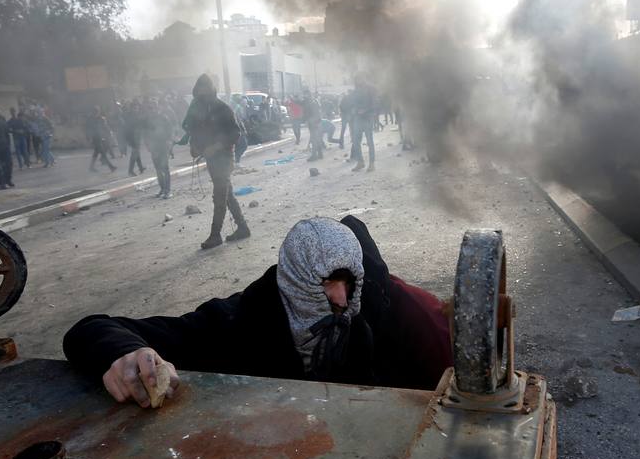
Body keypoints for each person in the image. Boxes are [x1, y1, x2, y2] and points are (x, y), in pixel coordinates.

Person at [63, 216, 453, 407]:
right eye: (326, 282)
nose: (339, 298)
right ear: (297, 278)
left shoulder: (391, 311)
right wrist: (126, 354)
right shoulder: (241, 322)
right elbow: (94, 328)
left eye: (348, 282)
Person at [184, 73, 248, 250]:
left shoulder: (223, 108)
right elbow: (196, 132)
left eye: (204, 89)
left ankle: (215, 235)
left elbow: (235, 133)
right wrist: (195, 147)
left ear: (211, 90)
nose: (201, 94)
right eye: (199, 90)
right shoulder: (199, 110)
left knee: (220, 196)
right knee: (228, 196)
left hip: (224, 158)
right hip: (212, 160)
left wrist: (216, 146)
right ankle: (242, 228)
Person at [143, 96, 173, 199]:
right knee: (158, 170)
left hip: (163, 146)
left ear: (157, 108)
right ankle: (162, 189)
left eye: (153, 108)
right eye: (150, 108)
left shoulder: (164, 118)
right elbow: (145, 133)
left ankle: (168, 191)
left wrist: (169, 145)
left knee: (165, 169)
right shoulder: (148, 120)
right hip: (154, 148)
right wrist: (147, 144)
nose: (152, 110)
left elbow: (170, 132)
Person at [344, 75, 377, 172]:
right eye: (357, 79)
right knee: (355, 141)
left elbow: (375, 104)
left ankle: (372, 164)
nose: (359, 80)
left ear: (364, 78)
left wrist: (365, 110)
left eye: (360, 78)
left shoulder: (370, 89)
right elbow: (352, 103)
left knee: (369, 141)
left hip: (367, 118)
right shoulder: (356, 90)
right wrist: (353, 110)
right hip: (358, 118)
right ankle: (360, 162)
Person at [87, 106, 117, 173]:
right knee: (103, 153)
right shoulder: (92, 119)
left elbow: (105, 127)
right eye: (95, 112)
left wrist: (109, 132)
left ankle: (91, 167)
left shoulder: (100, 119)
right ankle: (111, 167)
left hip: (100, 137)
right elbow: (88, 129)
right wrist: (89, 137)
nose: (95, 113)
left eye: (96, 112)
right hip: (96, 138)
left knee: (96, 153)